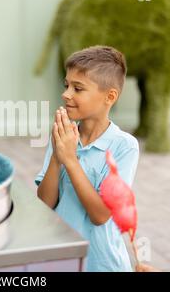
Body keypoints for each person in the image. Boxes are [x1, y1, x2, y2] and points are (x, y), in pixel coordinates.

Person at [36, 46, 140, 272]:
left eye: (78, 88)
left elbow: (101, 215)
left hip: (101, 265)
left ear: (109, 97)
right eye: (67, 85)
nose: (66, 94)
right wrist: (57, 155)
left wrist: (70, 160)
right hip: (62, 260)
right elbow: (44, 203)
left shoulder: (125, 147)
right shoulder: (64, 135)